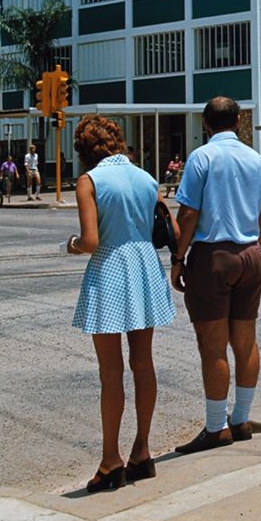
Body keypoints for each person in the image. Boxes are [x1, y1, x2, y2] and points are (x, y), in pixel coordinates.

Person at [67, 115, 176, 492]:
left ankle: (110, 460)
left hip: (111, 270)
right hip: (144, 268)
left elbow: (91, 240)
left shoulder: (89, 181)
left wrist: (72, 245)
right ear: (116, 142)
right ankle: (142, 451)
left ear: (83, 150)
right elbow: (169, 228)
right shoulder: (146, 178)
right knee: (143, 363)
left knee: (110, 373)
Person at [172, 97, 261, 454]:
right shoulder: (257, 160)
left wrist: (178, 258)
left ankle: (216, 427)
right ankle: (241, 418)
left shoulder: (202, 157)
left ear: (206, 124)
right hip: (250, 255)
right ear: (239, 122)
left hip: (213, 255)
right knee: (245, 341)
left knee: (212, 345)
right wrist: (254, 246)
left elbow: (188, 215)